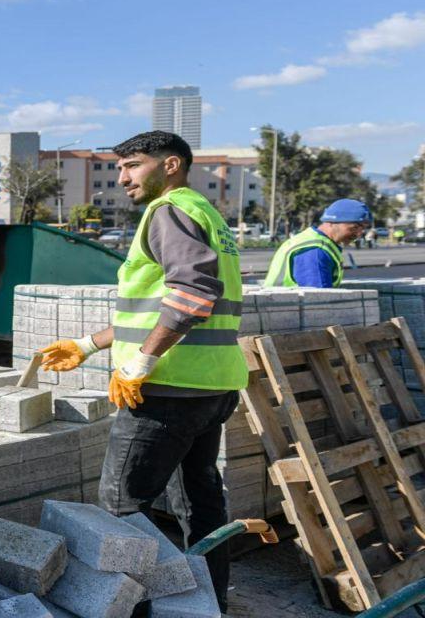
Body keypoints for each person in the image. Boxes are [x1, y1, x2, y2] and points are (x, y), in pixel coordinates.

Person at [38, 131, 246, 612]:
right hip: (210, 386)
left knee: (119, 513)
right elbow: (158, 306)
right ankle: (206, 604)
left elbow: (193, 294)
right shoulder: (206, 212)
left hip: (166, 391)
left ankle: (127, 609)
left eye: (133, 165)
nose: (124, 177)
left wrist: (140, 363)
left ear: (171, 165)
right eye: (120, 168)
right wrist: (89, 344)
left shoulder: (167, 211)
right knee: (200, 504)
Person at [263, 199, 369, 288]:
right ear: (332, 222)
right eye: (354, 228)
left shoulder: (319, 242)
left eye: (362, 229)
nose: (359, 234)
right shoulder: (315, 251)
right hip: (288, 310)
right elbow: (318, 299)